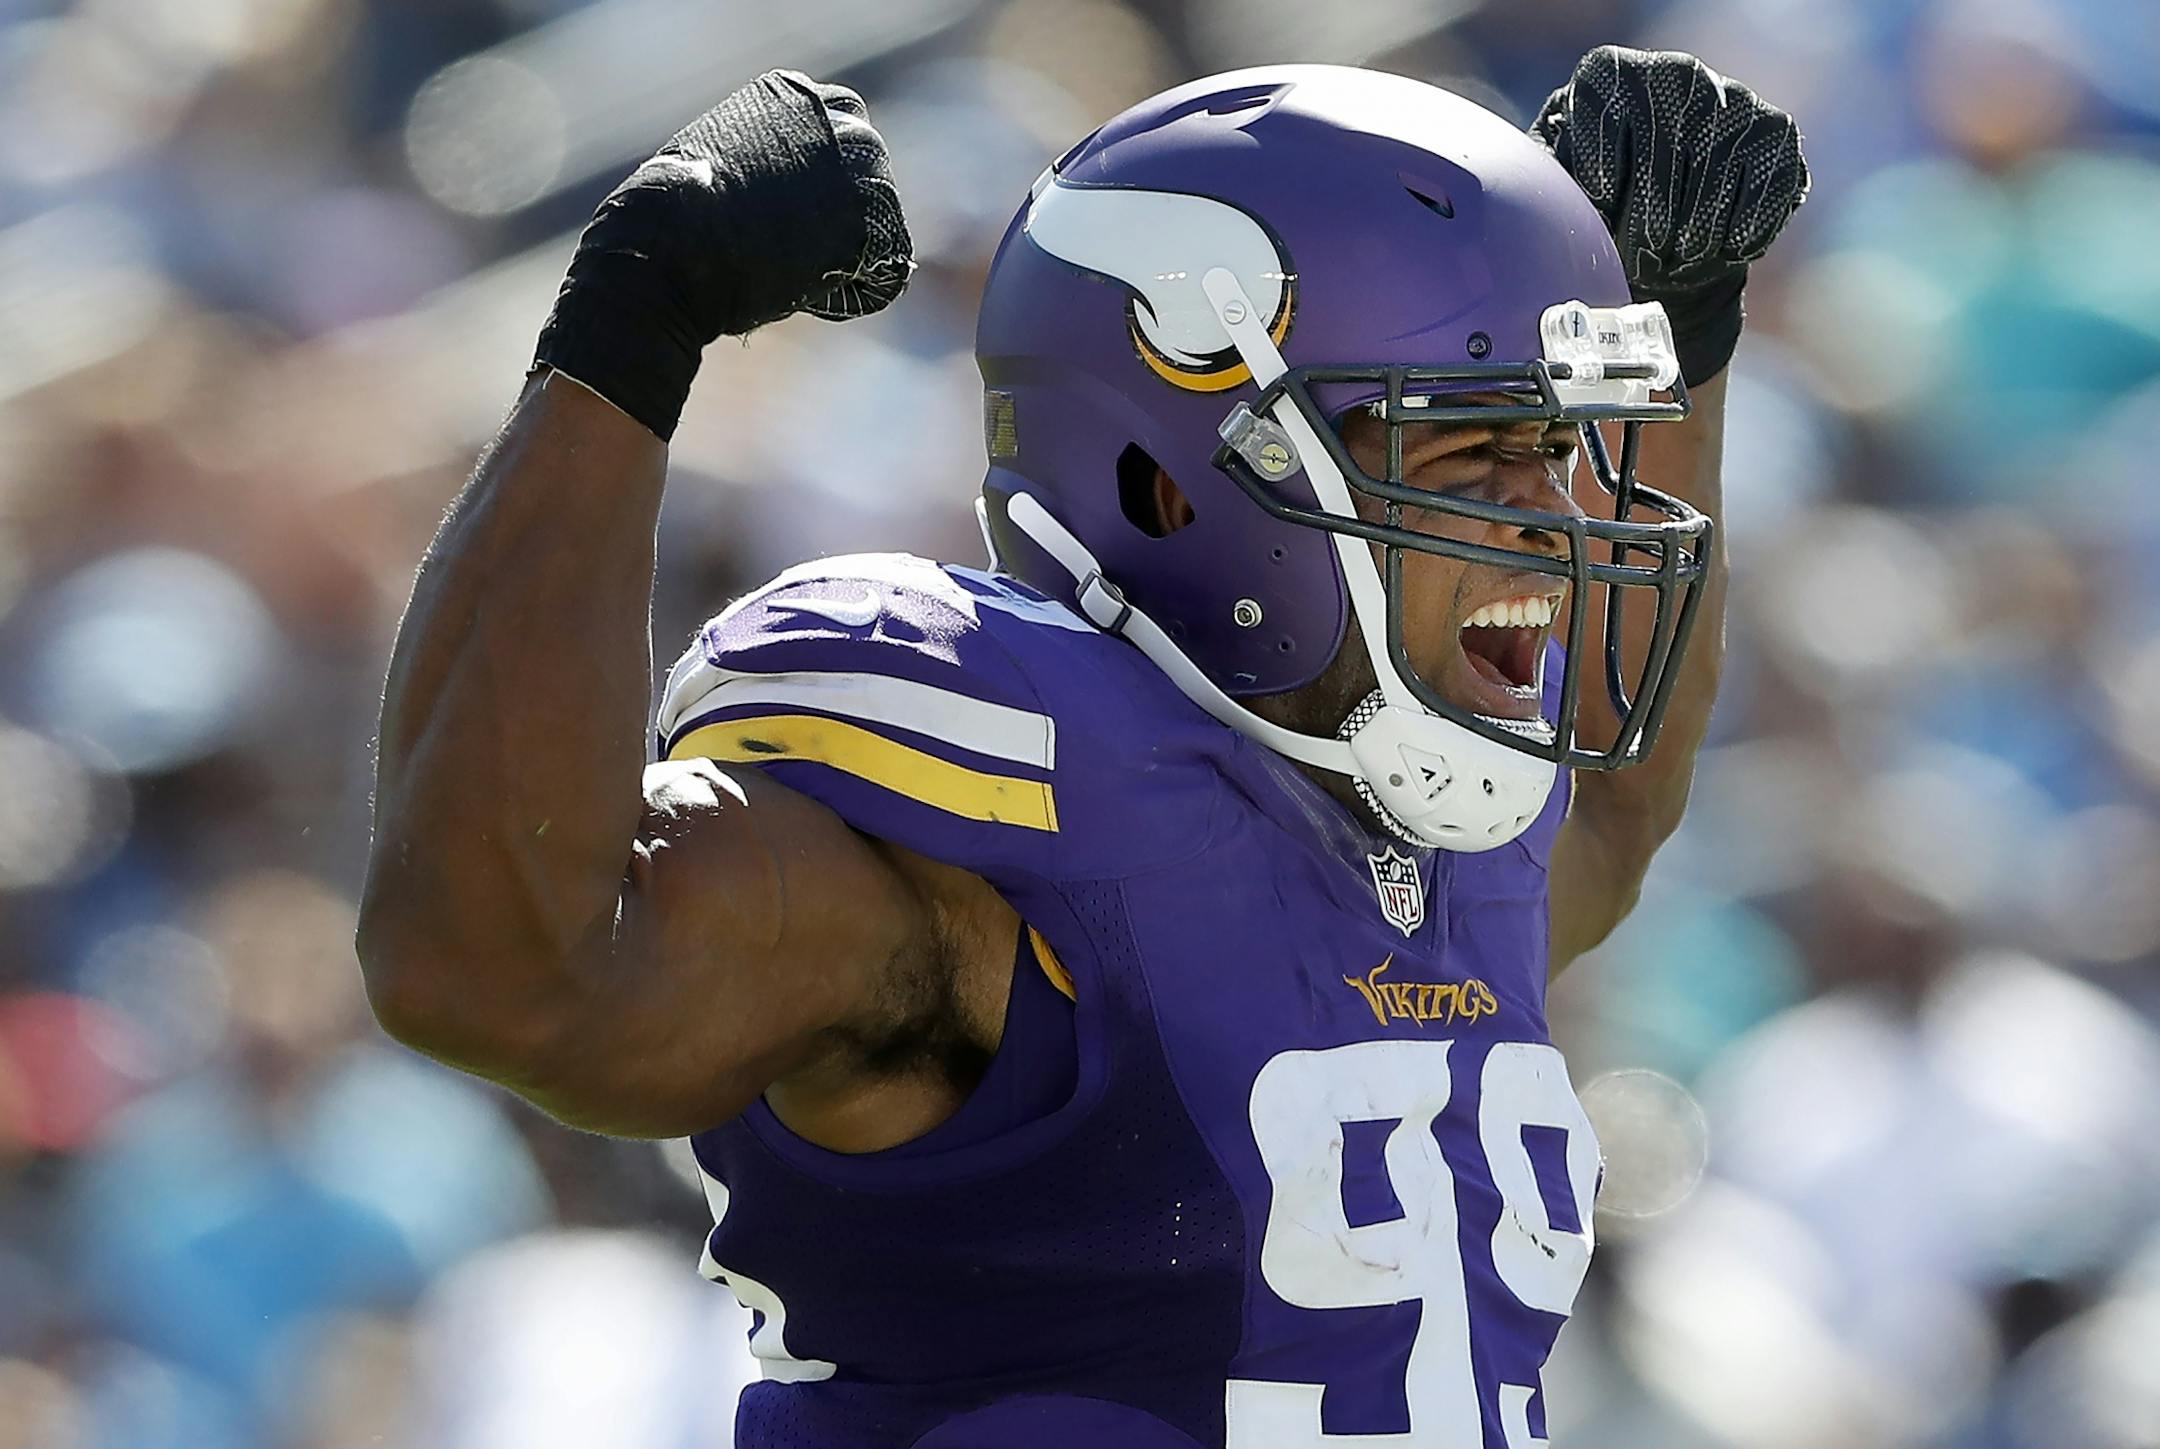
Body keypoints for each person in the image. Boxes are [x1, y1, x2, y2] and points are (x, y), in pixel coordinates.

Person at [357, 48, 1807, 1449]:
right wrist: (627, 335)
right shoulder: (990, 856)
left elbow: (1611, 811)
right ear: (1177, 482)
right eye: (1464, 450)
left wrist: (1681, 323)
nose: (1552, 523)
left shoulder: (1429, 846)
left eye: (1557, 450)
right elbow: (504, 976)